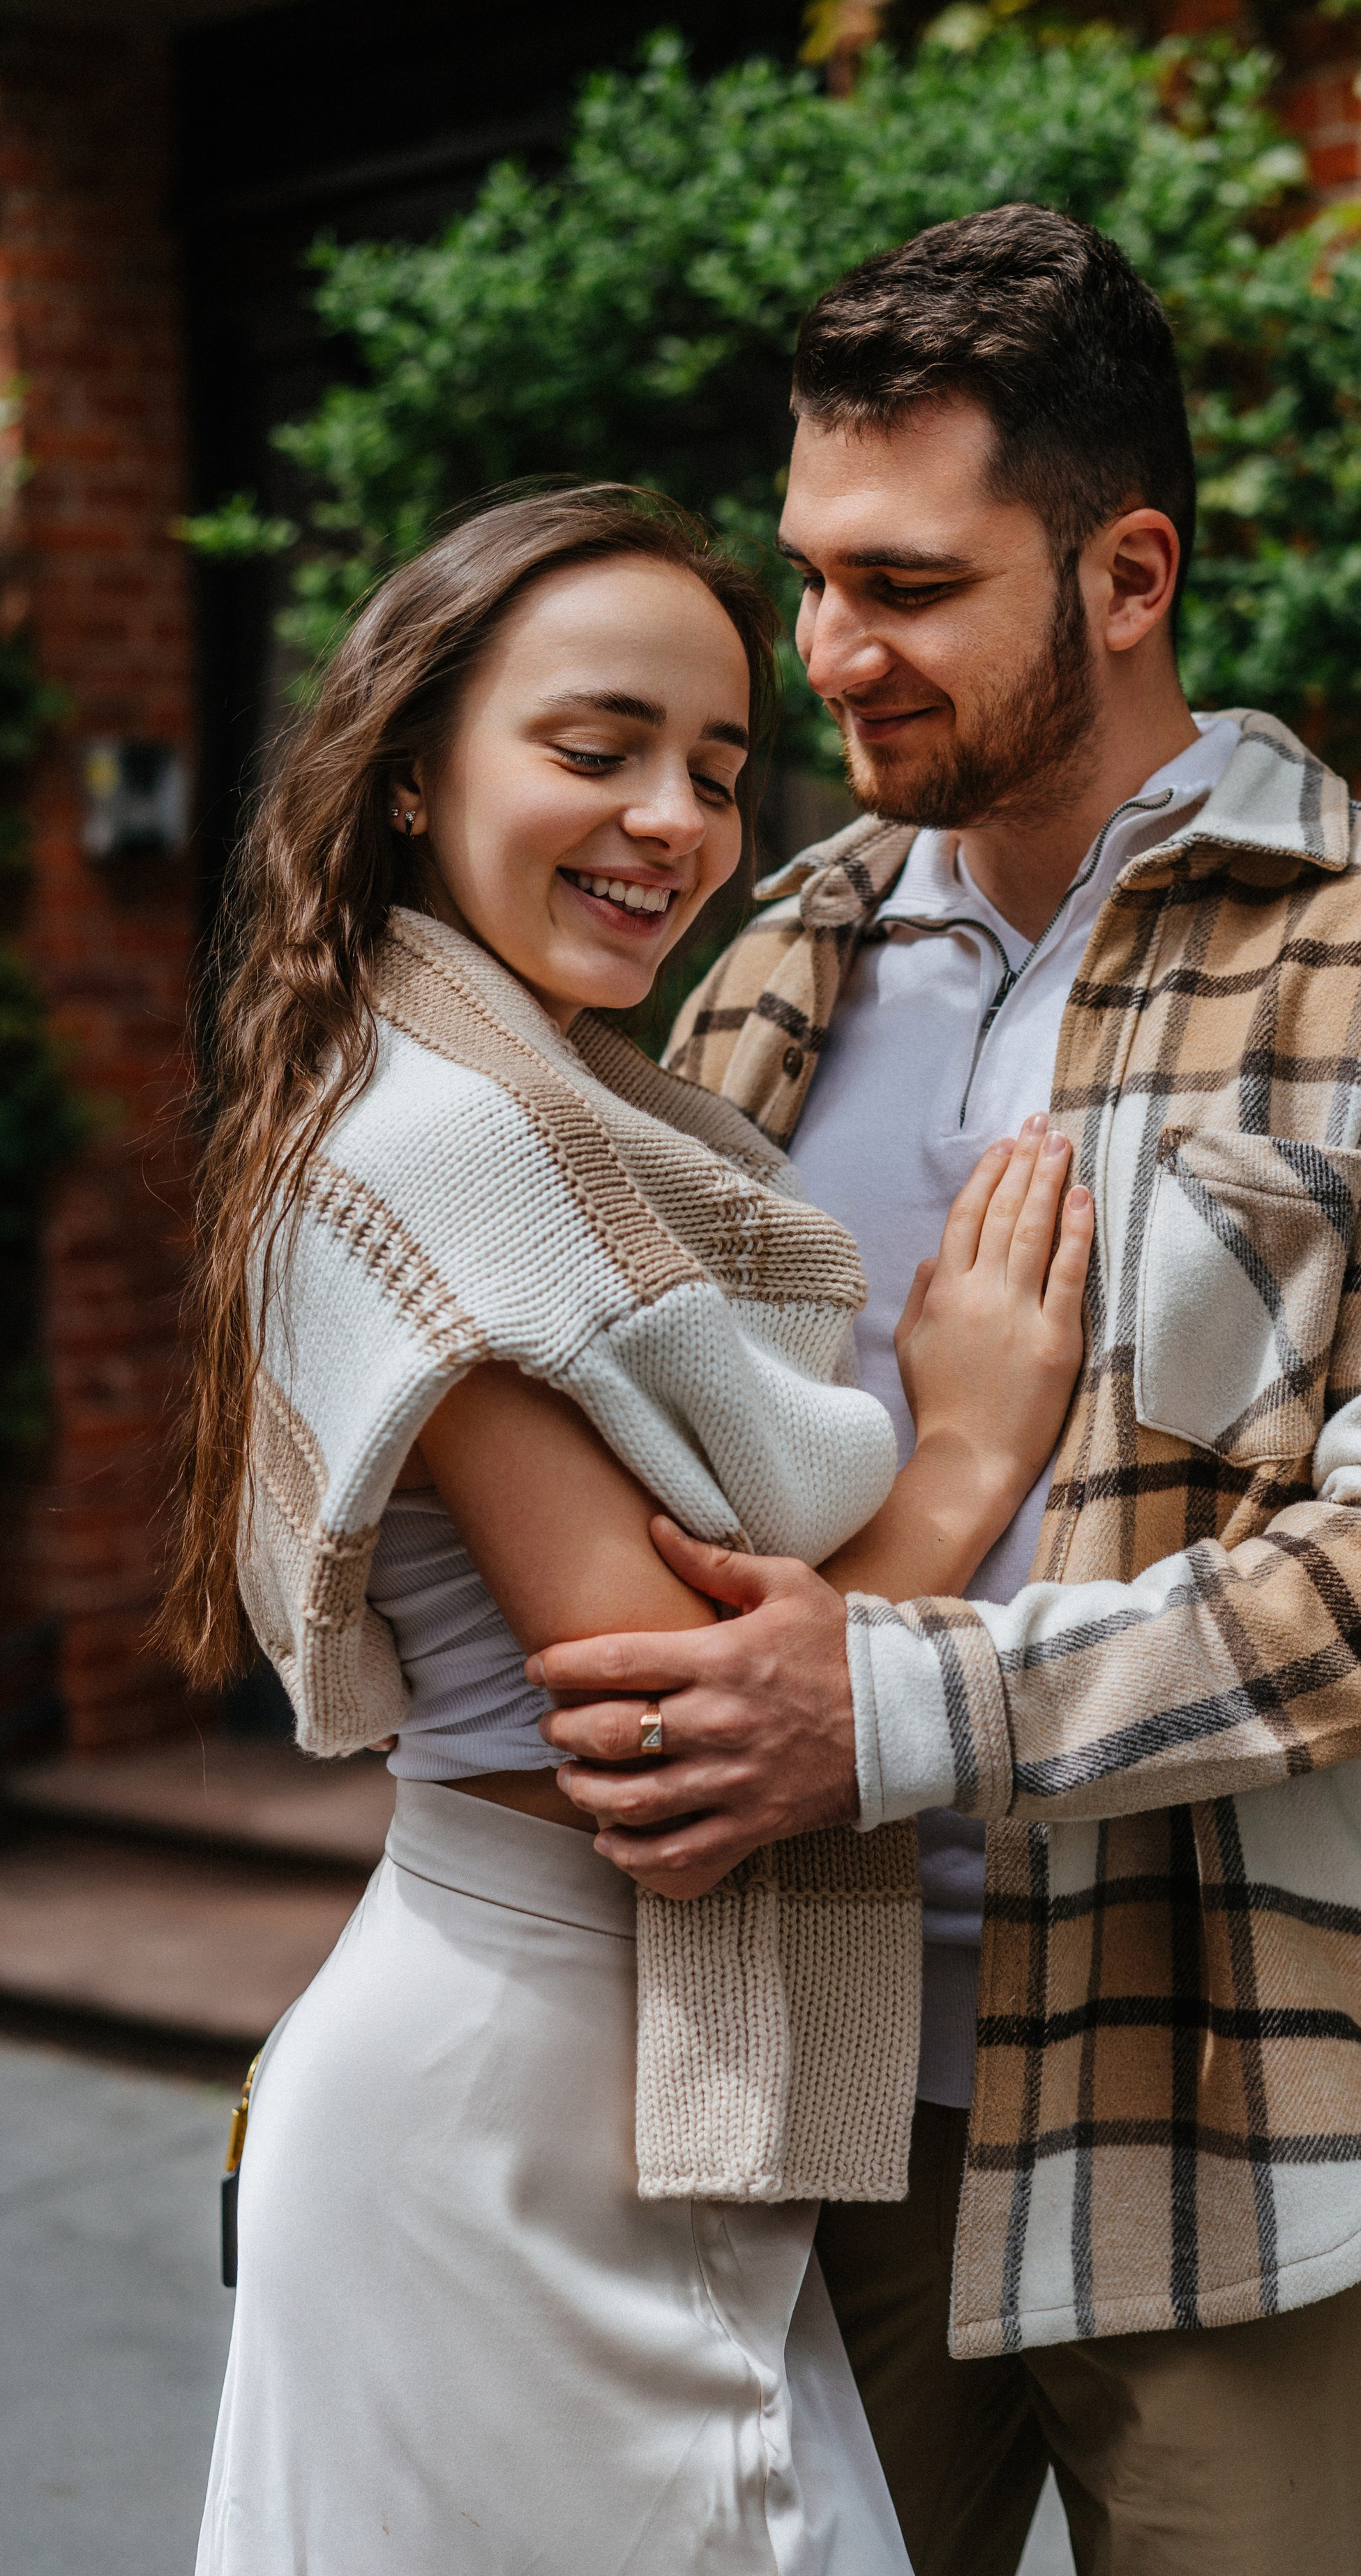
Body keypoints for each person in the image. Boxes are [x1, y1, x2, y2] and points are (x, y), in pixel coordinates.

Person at [532, 209, 1361, 2575]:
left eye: (908, 587)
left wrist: (905, 1707)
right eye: (816, 577)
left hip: (1231, 2124)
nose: (831, 653)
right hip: (809, 2094)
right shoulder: (761, 975)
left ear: (1126, 577)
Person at [160, 483, 1096, 2575]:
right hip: (510, 2113)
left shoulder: (555, 1112)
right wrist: (965, 1448)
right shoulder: (453, 1145)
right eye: (594, 750)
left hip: (578, 2066)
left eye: (714, 766)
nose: (672, 819)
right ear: (411, 775)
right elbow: (673, 1727)